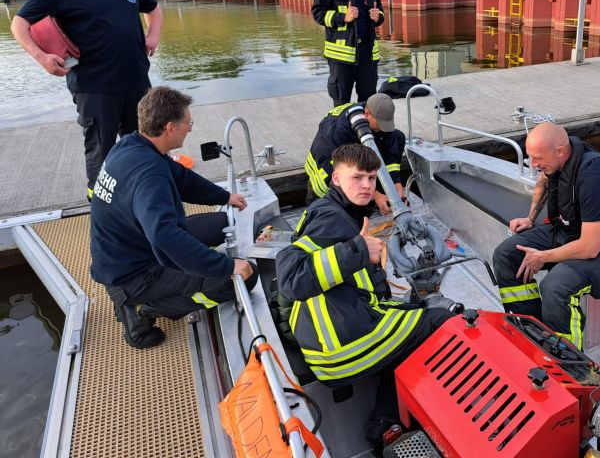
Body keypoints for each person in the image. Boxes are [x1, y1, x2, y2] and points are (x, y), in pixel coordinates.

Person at [277, 144, 454, 444]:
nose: (366, 186)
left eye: (372, 179)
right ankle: (444, 421)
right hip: (342, 348)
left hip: (329, 342)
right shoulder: (331, 220)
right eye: (357, 177)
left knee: (408, 322)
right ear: (336, 178)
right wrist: (358, 250)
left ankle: (384, 424)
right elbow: (291, 278)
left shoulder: (331, 210)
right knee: (442, 322)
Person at [90, 86, 257, 350]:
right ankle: (144, 309)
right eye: (187, 123)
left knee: (221, 224)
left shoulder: (132, 145)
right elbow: (163, 236)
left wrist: (223, 197)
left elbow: (181, 179)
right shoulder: (149, 175)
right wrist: (225, 266)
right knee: (246, 277)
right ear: (170, 128)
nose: (190, 128)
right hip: (135, 274)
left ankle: (151, 296)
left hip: (130, 248)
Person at [11, 0, 163, 200]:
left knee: (145, 145)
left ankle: (144, 200)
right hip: (95, 87)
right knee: (101, 152)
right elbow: (19, 24)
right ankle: (102, 210)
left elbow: (153, 8)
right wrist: (41, 57)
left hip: (136, 80)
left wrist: (153, 35)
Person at [492, 122, 600, 350]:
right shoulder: (556, 161)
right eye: (531, 158)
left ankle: (570, 363)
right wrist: (530, 218)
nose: (533, 165)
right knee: (506, 255)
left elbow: (590, 247)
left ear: (560, 151)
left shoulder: (594, 176)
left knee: (555, 287)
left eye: (538, 158)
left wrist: (543, 256)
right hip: (570, 229)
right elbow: (544, 179)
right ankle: (530, 329)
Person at [311, 0, 384, 107]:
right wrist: (342, 17)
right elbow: (318, 13)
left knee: (368, 104)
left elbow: (380, 12)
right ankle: (341, 132)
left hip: (367, 57)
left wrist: (377, 16)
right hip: (341, 58)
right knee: (341, 105)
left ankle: (364, 133)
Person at [305, 93, 405, 214]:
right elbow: (351, 168)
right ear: (366, 113)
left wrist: (396, 185)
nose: (382, 129)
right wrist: (375, 195)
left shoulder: (376, 118)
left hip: (354, 153)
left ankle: (378, 194)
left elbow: (390, 154)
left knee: (398, 137)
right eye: (379, 125)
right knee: (341, 209)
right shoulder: (342, 129)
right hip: (326, 169)